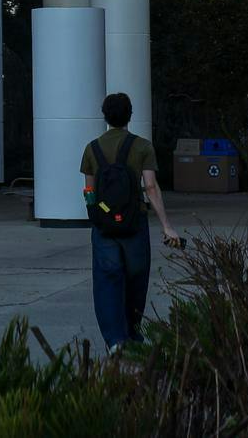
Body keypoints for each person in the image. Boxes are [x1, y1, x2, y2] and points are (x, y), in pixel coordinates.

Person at [80, 92, 182, 350]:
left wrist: (98, 213)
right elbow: (150, 187)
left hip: (104, 227)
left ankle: (115, 341)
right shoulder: (143, 146)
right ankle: (133, 335)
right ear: (130, 115)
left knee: (107, 280)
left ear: (104, 115)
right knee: (136, 279)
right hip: (135, 223)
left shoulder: (91, 148)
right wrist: (167, 225)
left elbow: (89, 190)